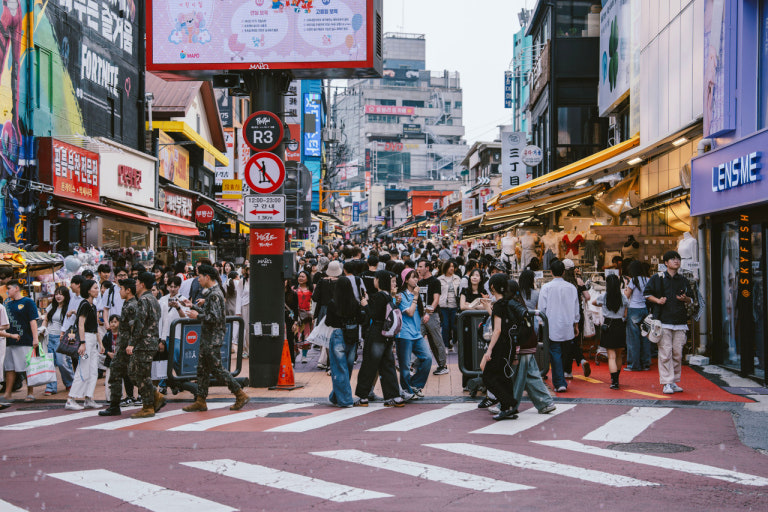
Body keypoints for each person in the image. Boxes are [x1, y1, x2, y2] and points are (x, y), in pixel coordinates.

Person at [181, 265, 250, 412]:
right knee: (202, 369)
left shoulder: (214, 294)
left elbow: (215, 317)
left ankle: (240, 393)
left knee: (217, 369)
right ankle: (200, 400)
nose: (198, 279)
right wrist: (193, 306)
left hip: (212, 338)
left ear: (207, 277)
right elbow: (211, 313)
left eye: (200, 276)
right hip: (208, 336)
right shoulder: (212, 293)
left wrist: (197, 315)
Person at [644, 250, 694, 394]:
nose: (676, 261)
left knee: (677, 353)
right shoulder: (657, 278)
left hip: (680, 320)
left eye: (678, 259)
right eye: (672, 259)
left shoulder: (683, 279)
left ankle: (674, 381)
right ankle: (666, 382)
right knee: (665, 353)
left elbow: (691, 298)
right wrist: (658, 300)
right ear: (666, 263)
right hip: (663, 320)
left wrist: (685, 299)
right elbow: (646, 294)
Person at [354, 270, 405, 407]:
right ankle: (393, 396)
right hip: (387, 334)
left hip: (376, 332)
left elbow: (373, 314)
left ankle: (363, 397)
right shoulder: (388, 296)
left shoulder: (378, 296)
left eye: (375, 279)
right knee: (387, 365)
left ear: (379, 280)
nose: (373, 281)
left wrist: (365, 305)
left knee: (369, 365)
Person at [507, 279, 556, 414]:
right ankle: (545, 402)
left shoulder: (511, 305)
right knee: (531, 375)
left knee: (516, 377)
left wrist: (515, 351)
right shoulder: (519, 303)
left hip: (521, 346)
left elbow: (514, 329)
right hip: (528, 343)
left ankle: (509, 405)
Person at [479, 274, 519, 421]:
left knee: (489, 376)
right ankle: (508, 408)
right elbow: (500, 321)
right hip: (509, 344)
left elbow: (497, 329)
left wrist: (489, 349)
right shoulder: (508, 303)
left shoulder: (498, 305)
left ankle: (508, 403)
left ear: (492, 287)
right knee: (503, 376)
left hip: (500, 345)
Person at [538, 260, 580, 393]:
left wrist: (541, 324)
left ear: (551, 272)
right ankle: (561, 379)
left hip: (552, 325)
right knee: (565, 352)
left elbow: (541, 309)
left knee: (555, 353)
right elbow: (576, 308)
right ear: (563, 272)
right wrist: (576, 324)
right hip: (568, 325)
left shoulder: (546, 287)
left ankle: (559, 382)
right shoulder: (572, 288)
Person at [125, 272, 164, 419]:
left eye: (136, 282)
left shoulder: (143, 300)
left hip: (144, 343)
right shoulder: (154, 299)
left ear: (142, 284)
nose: (135, 285)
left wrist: (132, 343)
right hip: (151, 341)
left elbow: (139, 323)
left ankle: (148, 406)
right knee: (138, 373)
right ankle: (155, 395)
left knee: (140, 374)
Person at [325, 276, 367, 407]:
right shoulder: (355, 303)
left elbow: (328, 322)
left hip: (338, 335)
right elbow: (361, 319)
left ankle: (345, 400)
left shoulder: (333, 303)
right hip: (352, 336)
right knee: (347, 368)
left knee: (339, 368)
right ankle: (336, 396)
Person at [65, 280, 103, 410]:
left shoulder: (93, 306)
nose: (97, 290)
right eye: (95, 288)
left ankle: (88, 397)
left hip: (92, 341)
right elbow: (80, 325)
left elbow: (95, 326)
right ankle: (71, 398)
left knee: (93, 370)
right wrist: (82, 343)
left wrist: (100, 343)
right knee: (83, 368)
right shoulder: (85, 304)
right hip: (85, 340)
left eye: (97, 288)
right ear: (88, 290)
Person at [395, 269, 432, 400]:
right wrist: (416, 296)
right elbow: (410, 312)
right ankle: (406, 390)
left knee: (427, 358)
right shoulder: (401, 296)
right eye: (413, 277)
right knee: (405, 366)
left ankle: (415, 385)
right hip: (404, 334)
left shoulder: (417, 294)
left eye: (416, 277)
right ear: (406, 280)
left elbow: (418, 311)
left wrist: (426, 313)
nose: (416, 279)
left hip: (417, 333)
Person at [2, 281, 40, 403]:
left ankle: (30, 392)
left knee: (27, 367)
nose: (7, 291)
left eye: (9, 288)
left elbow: (33, 321)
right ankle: (7, 393)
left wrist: (35, 338)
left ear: (17, 288)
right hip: (9, 341)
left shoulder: (28, 302)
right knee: (9, 367)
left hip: (25, 340)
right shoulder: (7, 304)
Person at [592, 274, 630, 389]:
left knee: (611, 356)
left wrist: (603, 306)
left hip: (608, 325)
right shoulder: (623, 297)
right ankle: (617, 378)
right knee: (619, 355)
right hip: (620, 325)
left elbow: (593, 302)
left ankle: (614, 381)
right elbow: (626, 313)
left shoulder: (604, 296)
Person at [40, 286, 74, 396]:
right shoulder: (52, 306)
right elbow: (46, 320)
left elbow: (71, 324)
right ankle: (50, 387)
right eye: (56, 294)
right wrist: (43, 329)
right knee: (49, 362)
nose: (58, 296)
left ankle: (69, 382)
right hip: (49, 337)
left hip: (62, 338)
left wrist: (69, 338)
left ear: (66, 296)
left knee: (61, 362)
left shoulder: (69, 308)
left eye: (61, 294)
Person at [417, 259, 448, 375]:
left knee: (436, 341)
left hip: (432, 315)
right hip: (421, 315)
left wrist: (428, 313)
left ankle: (442, 365)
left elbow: (436, 300)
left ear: (427, 268)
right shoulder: (419, 283)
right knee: (417, 339)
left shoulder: (435, 281)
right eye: (418, 267)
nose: (418, 269)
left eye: (421, 266)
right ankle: (413, 365)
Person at [562, 259, 592, 379]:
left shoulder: (562, 282)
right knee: (574, 341)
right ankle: (581, 360)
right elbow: (587, 296)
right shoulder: (578, 281)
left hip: (565, 314)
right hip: (578, 313)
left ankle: (568, 371)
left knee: (567, 343)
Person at [625, 260, 651, 371]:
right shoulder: (647, 280)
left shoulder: (633, 280)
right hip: (644, 309)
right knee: (645, 337)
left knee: (633, 338)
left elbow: (626, 296)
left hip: (634, 309)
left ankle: (634, 364)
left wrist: (625, 288)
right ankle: (646, 363)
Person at [98, 314, 121, 415]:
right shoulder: (107, 335)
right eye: (111, 322)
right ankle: (109, 398)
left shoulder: (121, 335)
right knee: (108, 379)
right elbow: (104, 347)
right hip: (110, 361)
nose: (113, 324)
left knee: (119, 380)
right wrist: (108, 353)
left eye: (115, 322)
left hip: (120, 360)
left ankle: (119, 397)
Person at [437, 260, 461, 351]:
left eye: (453, 266)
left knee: (455, 326)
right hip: (443, 306)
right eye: (450, 266)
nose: (452, 268)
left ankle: (453, 341)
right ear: (445, 268)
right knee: (445, 326)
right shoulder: (440, 279)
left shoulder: (457, 278)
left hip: (455, 305)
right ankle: (446, 345)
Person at [294, 270, 314, 363]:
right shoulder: (293, 289)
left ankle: (304, 356)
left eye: (303, 276)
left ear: (307, 279)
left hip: (307, 316)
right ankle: (295, 351)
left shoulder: (311, 290)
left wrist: (313, 314)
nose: (300, 278)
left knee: (306, 336)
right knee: (295, 335)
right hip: (295, 316)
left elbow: (314, 303)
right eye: (299, 276)